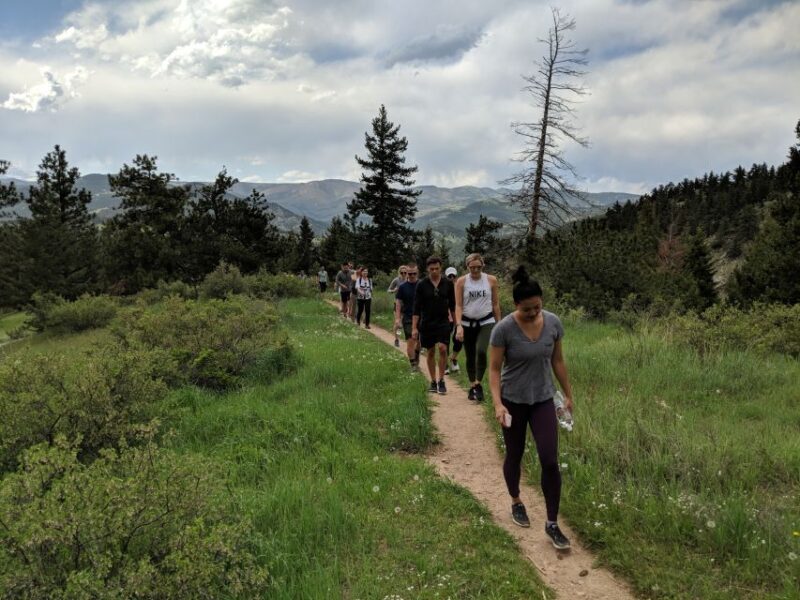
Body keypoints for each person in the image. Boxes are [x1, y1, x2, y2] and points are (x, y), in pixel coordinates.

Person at [488, 267, 574, 550]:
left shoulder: (553, 323)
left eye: (538, 307)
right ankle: (516, 501)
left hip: (543, 400)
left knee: (549, 459)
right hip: (513, 401)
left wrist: (568, 395)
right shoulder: (503, 330)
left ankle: (552, 523)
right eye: (527, 309)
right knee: (514, 454)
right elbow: (494, 369)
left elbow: (558, 361)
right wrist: (498, 403)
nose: (535, 313)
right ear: (516, 306)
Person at [454, 254, 501, 401]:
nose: (475, 270)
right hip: (467, 322)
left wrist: (499, 323)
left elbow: (495, 304)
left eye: (478, 267)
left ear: (483, 266)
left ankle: (479, 382)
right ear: (467, 267)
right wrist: (459, 325)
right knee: (470, 354)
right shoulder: (461, 282)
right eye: (472, 267)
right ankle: (473, 385)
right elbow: (459, 305)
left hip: (486, 321)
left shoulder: (491, 280)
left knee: (481, 351)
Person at [412, 256, 455, 395]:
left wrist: (457, 323)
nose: (434, 271)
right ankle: (433, 380)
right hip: (427, 322)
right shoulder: (422, 284)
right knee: (430, 351)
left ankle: (442, 379)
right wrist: (414, 327)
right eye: (432, 269)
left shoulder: (448, 284)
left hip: (443, 321)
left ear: (441, 268)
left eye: (437, 268)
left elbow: (453, 305)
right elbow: (416, 308)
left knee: (443, 349)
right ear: (427, 269)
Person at [394, 264, 420, 371]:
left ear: (417, 273)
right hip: (408, 317)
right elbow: (398, 303)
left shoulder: (422, 285)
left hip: (422, 317)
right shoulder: (403, 287)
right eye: (410, 274)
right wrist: (398, 318)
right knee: (410, 341)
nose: (412, 275)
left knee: (419, 343)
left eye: (414, 273)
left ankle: (417, 355)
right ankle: (413, 365)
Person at [444, 266, 462, 375]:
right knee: (446, 341)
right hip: (446, 318)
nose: (451, 277)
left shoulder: (460, 286)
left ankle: (454, 358)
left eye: (453, 276)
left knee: (459, 340)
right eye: (449, 276)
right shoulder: (443, 287)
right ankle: (445, 363)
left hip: (459, 318)